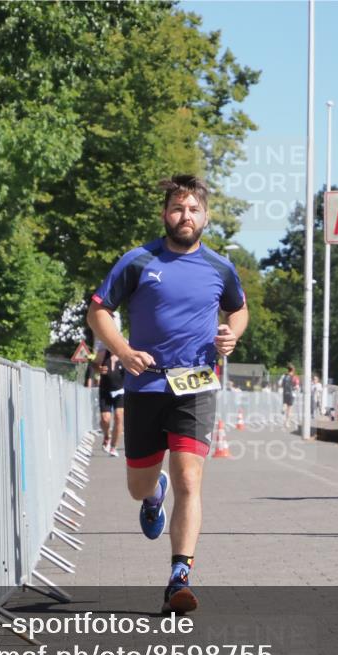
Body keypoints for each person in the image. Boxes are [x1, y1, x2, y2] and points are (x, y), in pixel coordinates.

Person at [87, 175, 248, 614]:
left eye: (194, 209)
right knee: (139, 485)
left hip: (195, 384)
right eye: (178, 208)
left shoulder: (219, 268)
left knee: (190, 479)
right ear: (165, 214)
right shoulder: (138, 261)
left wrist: (230, 335)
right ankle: (153, 493)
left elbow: (239, 308)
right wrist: (121, 349)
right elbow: (98, 310)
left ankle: (180, 576)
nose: (186, 216)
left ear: (206, 216)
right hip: (145, 384)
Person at [93, 321, 126, 456]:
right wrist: (99, 368)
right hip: (105, 389)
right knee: (105, 419)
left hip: (121, 390)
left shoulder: (124, 353)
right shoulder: (103, 352)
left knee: (118, 417)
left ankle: (114, 446)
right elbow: (94, 364)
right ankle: (107, 435)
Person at [281, 364, 300, 429]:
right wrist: (294, 387)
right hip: (291, 394)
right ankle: (287, 422)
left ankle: (284, 407)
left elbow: (280, 384)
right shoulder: (295, 377)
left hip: (285, 393)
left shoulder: (284, 376)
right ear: (293, 370)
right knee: (290, 409)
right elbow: (297, 387)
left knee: (285, 403)